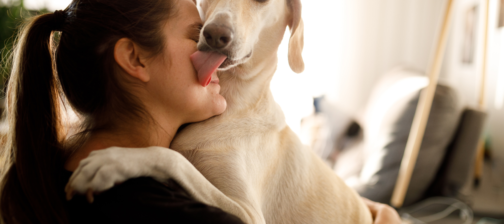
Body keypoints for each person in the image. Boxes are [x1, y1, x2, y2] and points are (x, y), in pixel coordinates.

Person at [0, 0, 401, 222]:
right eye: (197, 33)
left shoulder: (53, 161)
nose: (212, 34)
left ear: (290, 22)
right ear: (134, 59)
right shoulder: (141, 197)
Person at [0, 0, 236, 223]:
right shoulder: (173, 215)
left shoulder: (49, 181)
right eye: (198, 36)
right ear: (134, 59)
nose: (217, 55)